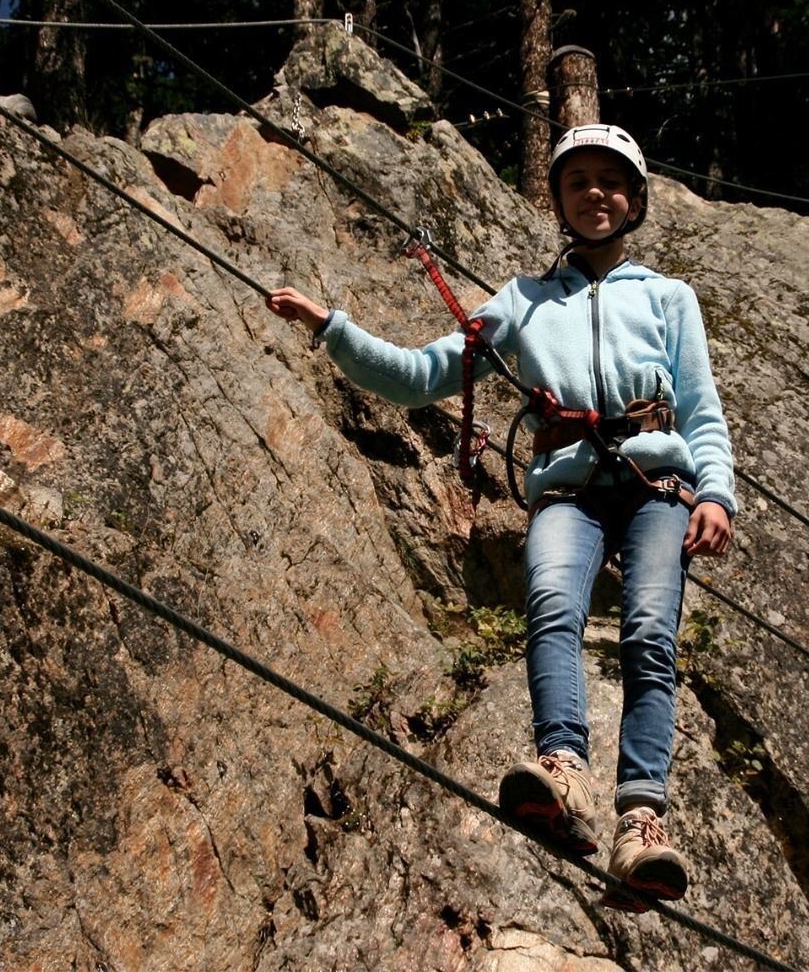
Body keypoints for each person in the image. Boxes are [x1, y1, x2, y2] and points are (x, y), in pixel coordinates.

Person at [265, 123, 737, 911]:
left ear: (635, 200)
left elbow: (701, 411)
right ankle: (563, 769)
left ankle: (642, 823)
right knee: (551, 602)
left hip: (656, 483)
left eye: (611, 181)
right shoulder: (523, 301)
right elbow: (423, 376)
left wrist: (716, 492)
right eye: (578, 179)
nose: (595, 192)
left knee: (651, 634)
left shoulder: (668, 298)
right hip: (568, 485)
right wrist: (331, 328)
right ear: (556, 198)